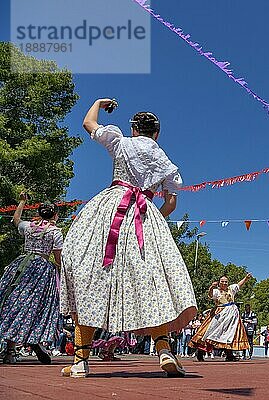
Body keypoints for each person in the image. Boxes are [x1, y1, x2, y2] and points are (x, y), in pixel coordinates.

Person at [60, 99, 198, 378]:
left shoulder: (121, 143)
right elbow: (171, 203)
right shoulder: (165, 162)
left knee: (91, 277)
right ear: (156, 134)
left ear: (134, 129)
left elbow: (88, 124)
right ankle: (164, 350)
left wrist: (98, 103)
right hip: (143, 216)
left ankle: (80, 361)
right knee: (152, 281)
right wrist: (152, 217)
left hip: (109, 211)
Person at [0, 194, 62, 365]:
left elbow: (15, 219)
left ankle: (11, 351)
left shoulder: (28, 226)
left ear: (40, 214)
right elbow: (58, 258)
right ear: (55, 215)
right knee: (38, 306)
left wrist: (22, 202)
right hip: (42, 269)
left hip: (21, 266)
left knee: (14, 303)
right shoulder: (55, 232)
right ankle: (35, 340)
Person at [189, 274, 252, 361]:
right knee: (210, 331)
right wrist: (211, 287)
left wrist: (246, 278)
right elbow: (210, 295)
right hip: (220, 314)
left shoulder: (231, 289)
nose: (224, 283)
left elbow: (239, 285)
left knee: (230, 333)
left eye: (226, 281)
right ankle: (200, 352)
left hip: (232, 315)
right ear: (219, 282)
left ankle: (229, 354)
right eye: (222, 281)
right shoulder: (216, 291)